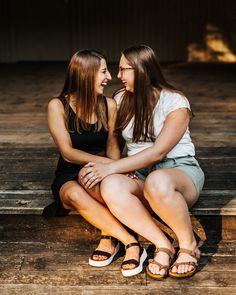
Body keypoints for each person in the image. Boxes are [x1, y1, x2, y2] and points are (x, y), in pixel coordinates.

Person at [80, 45, 205, 279]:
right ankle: (164, 244)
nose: (118, 76)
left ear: (142, 70)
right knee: (108, 185)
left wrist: (112, 167)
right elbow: (114, 141)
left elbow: (158, 153)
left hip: (179, 171)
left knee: (157, 181)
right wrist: (113, 169)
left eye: (124, 69)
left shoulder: (176, 102)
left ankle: (189, 245)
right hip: (140, 174)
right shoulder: (120, 98)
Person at [43, 49, 147, 276]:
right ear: (85, 74)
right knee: (73, 194)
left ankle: (108, 238)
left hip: (102, 171)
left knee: (99, 186)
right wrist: (107, 164)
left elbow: (112, 144)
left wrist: (114, 169)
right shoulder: (57, 106)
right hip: (69, 171)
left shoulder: (109, 105)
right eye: (103, 72)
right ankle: (130, 242)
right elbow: (68, 153)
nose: (109, 77)